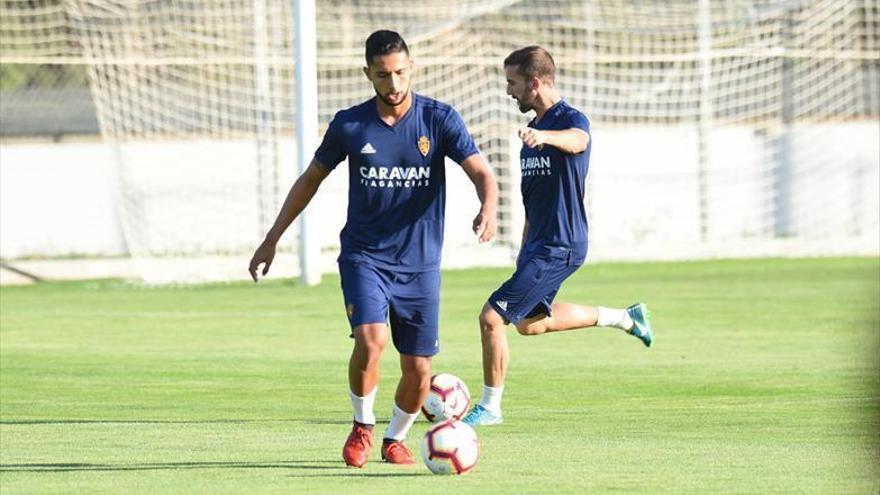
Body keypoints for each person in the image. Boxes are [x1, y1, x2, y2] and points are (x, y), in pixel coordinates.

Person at [248, 30, 498, 466]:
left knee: (419, 369)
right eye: (383, 75)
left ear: (412, 67)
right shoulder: (350, 124)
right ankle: (362, 426)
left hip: (420, 265)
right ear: (368, 74)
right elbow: (310, 181)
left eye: (401, 72)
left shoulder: (439, 119)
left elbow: (481, 172)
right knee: (371, 339)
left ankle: (395, 438)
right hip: (365, 256)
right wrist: (272, 238)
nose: (394, 83)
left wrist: (488, 206)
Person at [462, 46, 653, 427]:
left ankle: (490, 407)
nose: (508, 91)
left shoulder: (568, 120)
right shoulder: (530, 134)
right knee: (530, 323)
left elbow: (578, 140)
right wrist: (523, 252)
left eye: (512, 83)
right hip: (539, 246)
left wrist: (545, 138)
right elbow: (533, 202)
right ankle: (625, 318)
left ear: (534, 83)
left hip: (562, 244)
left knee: (491, 318)